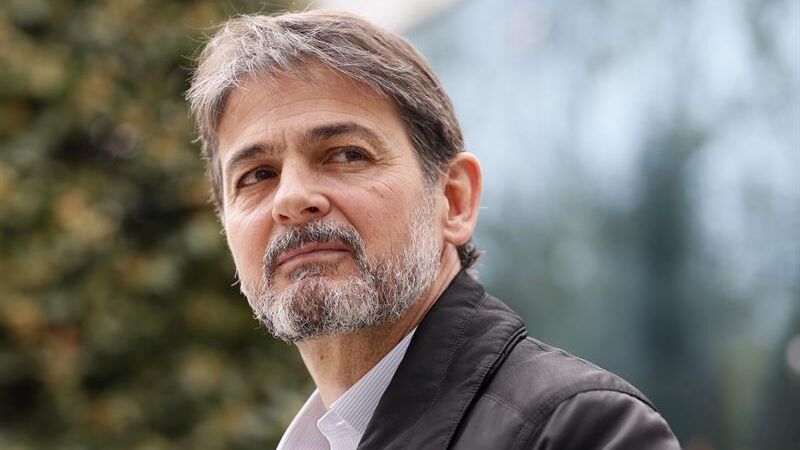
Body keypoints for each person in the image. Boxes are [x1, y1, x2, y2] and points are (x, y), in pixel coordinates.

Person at [186, 10, 680, 449]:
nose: (291, 199)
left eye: (346, 155)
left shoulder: (581, 430)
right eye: (257, 175)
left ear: (454, 200)